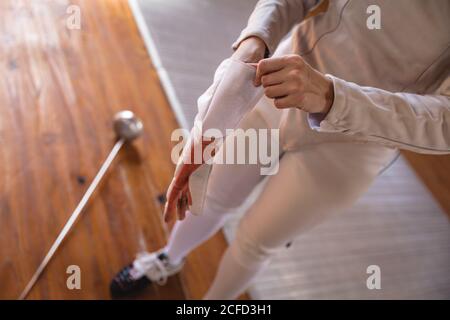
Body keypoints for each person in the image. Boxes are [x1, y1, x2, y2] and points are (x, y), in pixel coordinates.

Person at [110, 0, 450, 299]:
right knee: (211, 192)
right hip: (283, 77)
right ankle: (169, 256)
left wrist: (334, 97)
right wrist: (257, 35)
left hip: (361, 139)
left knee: (256, 243)